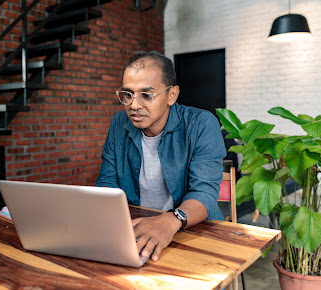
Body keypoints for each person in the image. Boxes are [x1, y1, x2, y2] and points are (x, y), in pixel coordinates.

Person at [95, 51, 227, 262]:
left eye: (146, 95)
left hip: (193, 231)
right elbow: (107, 182)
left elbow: (204, 193)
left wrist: (170, 221)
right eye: (128, 94)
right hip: (136, 229)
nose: (134, 105)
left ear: (172, 95)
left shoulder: (201, 124)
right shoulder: (119, 124)